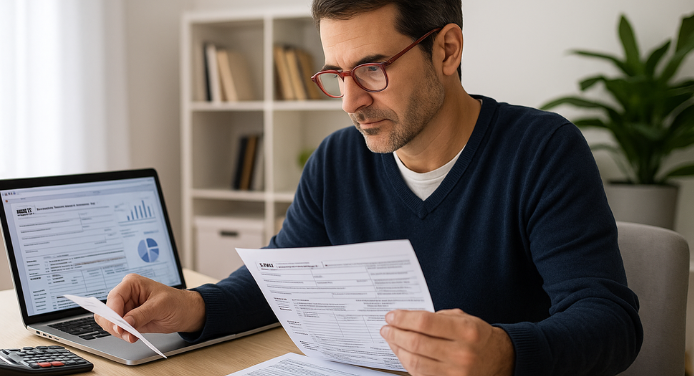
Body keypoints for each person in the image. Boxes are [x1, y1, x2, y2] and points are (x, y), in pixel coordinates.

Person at [95, 1, 643, 375]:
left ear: (447, 51)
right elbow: (280, 280)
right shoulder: (338, 161)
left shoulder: (542, 150)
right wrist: (189, 306)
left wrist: (506, 353)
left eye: (373, 68)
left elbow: (611, 323)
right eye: (336, 74)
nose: (350, 102)